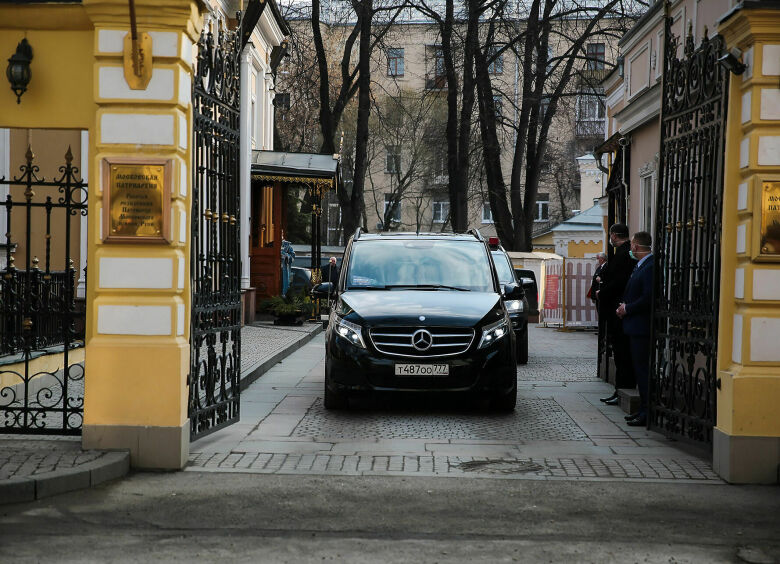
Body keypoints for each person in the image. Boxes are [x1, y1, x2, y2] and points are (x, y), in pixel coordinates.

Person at [616, 231, 654, 426]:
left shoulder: (649, 266)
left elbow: (648, 297)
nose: (630, 248)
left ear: (636, 247)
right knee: (640, 371)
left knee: (643, 370)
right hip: (634, 326)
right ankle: (642, 409)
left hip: (641, 327)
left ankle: (647, 411)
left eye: (632, 245)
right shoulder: (640, 266)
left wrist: (627, 308)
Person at [596, 223, 635, 405]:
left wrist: (602, 292)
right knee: (621, 352)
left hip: (618, 310)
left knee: (621, 353)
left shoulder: (623, 255)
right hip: (619, 308)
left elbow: (618, 282)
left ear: (614, 235)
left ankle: (622, 389)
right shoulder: (625, 253)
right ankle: (620, 389)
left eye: (610, 235)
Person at [280, 231, 295, 296]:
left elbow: (293, 257)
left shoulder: (287, 245)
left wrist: (286, 256)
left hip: (284, 270)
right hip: (274, 269)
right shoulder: (272, 244)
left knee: (284, 285)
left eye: (280, 233)